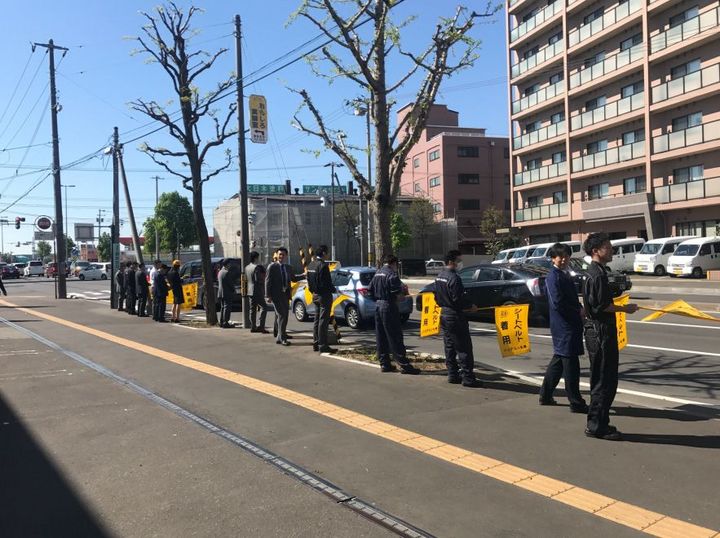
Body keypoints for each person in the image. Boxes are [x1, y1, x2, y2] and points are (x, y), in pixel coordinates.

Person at [583, 232, 638, 441]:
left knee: (602, 379)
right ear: (596, 251)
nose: (611, 249)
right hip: (601, 333)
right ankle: (597, 425)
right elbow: (600, 306)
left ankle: (599, 422)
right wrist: (626, 308)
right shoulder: (596, 275)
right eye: (608, 246)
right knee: (604, 380)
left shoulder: (595, 272)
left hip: (596, 331)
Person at [539, 243, 588, 413]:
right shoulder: (553, 276)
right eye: (560, 256)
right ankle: (575, 401)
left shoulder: (563, 274)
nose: (564, 259)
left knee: (559, 362)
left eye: (567, 256)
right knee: (571, 365)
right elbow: (558, 302)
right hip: (564, 325)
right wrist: (578, 311)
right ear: (553, 258)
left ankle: (545, 395)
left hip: (568, 324)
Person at [434, 250, 482, 388]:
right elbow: (458, 299)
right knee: (464, 347)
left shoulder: (440, 276)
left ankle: (452, 374)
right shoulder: (454, 278)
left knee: (449, 346)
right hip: (455, 315)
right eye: (459, 260)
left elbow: (436, 297)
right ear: (451, 261)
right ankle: (468, 378)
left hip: (444, 314)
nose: (460, 263)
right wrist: (470, 306)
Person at [367, 255, 420, 374]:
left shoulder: (377, 273)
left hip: (378, 306)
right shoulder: (392, 275)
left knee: (381, 337)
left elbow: (369, 291)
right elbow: (398, 295)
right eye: (397, 264)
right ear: (394, 263)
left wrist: (377, 299)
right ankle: (404, 365)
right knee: (395, 336)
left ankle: (384, 363)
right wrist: (404, 295)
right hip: (389, 306)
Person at [306, 245, 336, 353]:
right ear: (323, 253)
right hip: (324, 295)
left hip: (314, 294)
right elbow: (326, 283)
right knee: (324, 320)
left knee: (317, 319)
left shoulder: (311, 265)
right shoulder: (323, 266)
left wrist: (312, 291)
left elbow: (308, 280)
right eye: (327, 252)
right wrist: (333, 289)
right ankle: (323, 344)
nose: (327, 254)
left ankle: (315, 342)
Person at [265, 247, 296, 346]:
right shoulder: (272, 267)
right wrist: (267, 295)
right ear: (276, 255)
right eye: (279, 254)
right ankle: (282, 338)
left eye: (283, 254)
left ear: (286, 256)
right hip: (275, 295)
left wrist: (305, 275)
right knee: (282, 315)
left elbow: (294, 278)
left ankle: (281, 335)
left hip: (285, 294)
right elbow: (267, 282)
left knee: (284, 315)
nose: (281, 256)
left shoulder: (288, 267)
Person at [245, 251, 268, 333]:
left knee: (252, 309)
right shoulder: (256, 267)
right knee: (264, 307)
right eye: (258, 257)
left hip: (250, 290)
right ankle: (261, 326)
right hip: (257, 290)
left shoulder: (247, 267)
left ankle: (253, 326)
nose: (258, 259)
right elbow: (258, 279)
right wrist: (264, 278)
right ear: (255, 258)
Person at [217, 259, 235, 328]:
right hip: (227, 292)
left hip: (221, 292)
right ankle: (225, 322)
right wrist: (233, 289)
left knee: (222, 307)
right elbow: (230, 283)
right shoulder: (226, 272)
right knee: (227, 307)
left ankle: (221, 321)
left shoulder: (220, 272)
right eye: (229, 264)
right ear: (227, 264)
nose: (230, 265)